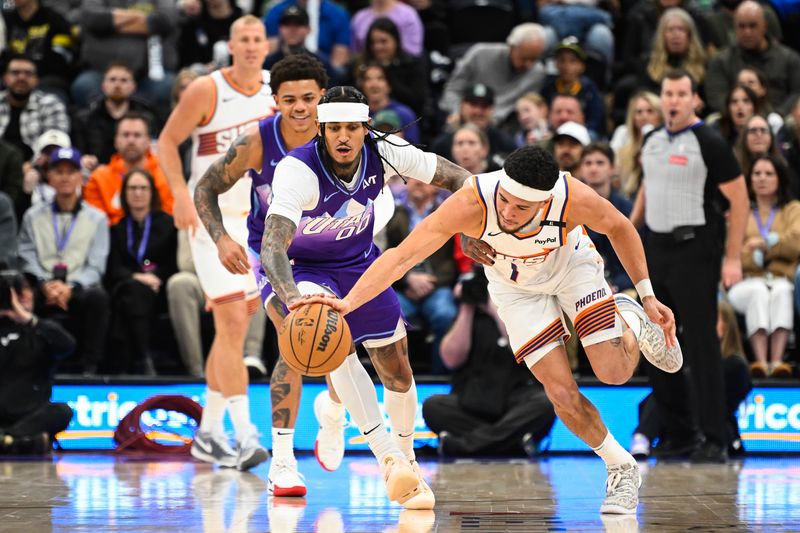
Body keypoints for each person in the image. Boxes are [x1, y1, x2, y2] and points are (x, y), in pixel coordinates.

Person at [302, 144, 685, 515]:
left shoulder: (571, 197)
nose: (508, 211)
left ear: (544, 201)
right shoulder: (474, 201)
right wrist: (350, 301)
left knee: (613, 373)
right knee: (560, 393)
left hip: (572, 269)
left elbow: (619, 227)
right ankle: (621, 467)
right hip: (515, 287)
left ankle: (631, 316)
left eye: (521, 207)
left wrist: (648, 295)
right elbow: (401, 257)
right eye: (505, 200)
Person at [254, 86, 473, 507]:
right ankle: (388, 458)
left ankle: (405, 459)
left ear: (365, 128)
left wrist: (471, 223)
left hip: (359, 262)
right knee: (332, 344)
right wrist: (293, 297)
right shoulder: (297, 170)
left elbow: (459, 179)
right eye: (333, 127)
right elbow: (272, 246)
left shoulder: (387, 151)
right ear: (320, 129)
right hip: (304, 270)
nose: (342, 136)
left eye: (352, 127)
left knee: (397, 368)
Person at [193, 54, 348, 495]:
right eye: (290, 99)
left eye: (309, 98)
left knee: (348, 346)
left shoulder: (343, 137)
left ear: (323, 97)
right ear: (275, 100)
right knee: (295, 334)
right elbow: (205, 187)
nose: (300, 107)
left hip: (337, 248)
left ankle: (334, 415)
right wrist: (223, 237)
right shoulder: (258, 142)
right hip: (277, 253)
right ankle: (282, 462)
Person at [156, 14, 273, 471]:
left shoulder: (274, 92)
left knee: (233, 330)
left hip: (257, 223)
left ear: (267, 45)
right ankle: (244, 435)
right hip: (212, 220)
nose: (249, 46)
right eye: (242, 39)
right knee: (230, 326)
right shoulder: (206, 90)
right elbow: (166, 142)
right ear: (230, 44)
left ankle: (207, 435)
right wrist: (180, 195)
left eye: (256, 39)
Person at [632, 68, 749, 463]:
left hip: (695, 249)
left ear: (694, 99)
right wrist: (626, 233)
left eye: (682, 94)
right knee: (657, 341)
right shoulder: (650, 140)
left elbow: (741, 200)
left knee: (700, 344)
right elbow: (648, 193)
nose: (674, 101)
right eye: (668, 93)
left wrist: (732, 257)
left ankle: (714, 438)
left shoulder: (709, 141)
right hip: (656, 249)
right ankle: (679, 435)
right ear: (661, 97)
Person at [423, 266, 557, 456]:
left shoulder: (518, 313)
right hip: (470, 400)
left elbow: (524, 352)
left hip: (515, 399)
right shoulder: (465, 317)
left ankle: (463, 446)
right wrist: (466, 307)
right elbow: (451, 360)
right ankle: (513, 444)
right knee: (433, 406)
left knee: (545, 403)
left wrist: (495, 309)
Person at [17, 147, 111, 376]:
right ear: (49, 177)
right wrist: (44, 283)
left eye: (71, 172)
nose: (65, 177)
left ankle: (90, 368)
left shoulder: (97, 218)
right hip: (42, 284)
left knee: (98, 298)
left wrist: (71, 287)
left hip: (78, 287)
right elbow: (26, 255)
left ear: (80, 176)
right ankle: (23, 368)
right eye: (59, 171)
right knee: (19, 296)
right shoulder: (33, 215)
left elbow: (96, 264)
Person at [630, 299, 753, 459]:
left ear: (726, 326)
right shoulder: (690, 358)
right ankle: (643, 437)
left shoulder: (735, 365)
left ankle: (643, 436)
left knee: (673, 389)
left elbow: (718, 403)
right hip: (682, 425)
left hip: (715, 431)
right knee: (665, 390)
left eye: (712, 320)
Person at [727, 155, 800, 378]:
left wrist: (763, 245)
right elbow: (732, 252)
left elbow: (796, 242)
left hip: (781, 279)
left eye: (769, 174)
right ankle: (760, 362)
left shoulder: (793, 209)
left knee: (782, 291)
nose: (762, 179)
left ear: (780, 178)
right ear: (749, 179)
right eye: (757, 174)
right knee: (758, 292)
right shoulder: (739, 212)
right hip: (746, 282)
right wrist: (777, 247)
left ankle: (776, 362)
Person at [105, 169, 178, 375]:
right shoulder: (117, 228)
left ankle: (130, 359)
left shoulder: (168, 224)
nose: (137, 193)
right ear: (124, 194)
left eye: (143, 188)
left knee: (131, 296)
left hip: (159, 288)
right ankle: (143, 357)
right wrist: (138, 277)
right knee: (132, 291)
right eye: (132, 188)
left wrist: (156, 278)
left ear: (152, 193)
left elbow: (174, 264)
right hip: (128, 287)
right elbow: (113, 267)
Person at [0, 269, 75, 454]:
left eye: (26, 289)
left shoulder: (42, 329)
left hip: (31, 415)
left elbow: (68, 345)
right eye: (17, 291)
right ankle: (18, 443)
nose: (25, 295)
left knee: (62, 411)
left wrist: (26, 318)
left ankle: (7, 439)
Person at [440, 23, 547, 126]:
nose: (529, 64)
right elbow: (453, 89)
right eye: (524, 58)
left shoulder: (537, 72)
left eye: (534, 59)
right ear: (511, 47)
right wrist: (455, 111)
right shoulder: (480, 54)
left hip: (502, 127)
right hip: (464, 117)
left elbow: (525, 106)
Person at [706, 0, 800, 115]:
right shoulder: (721, 61)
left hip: (781, 122)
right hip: (735, 124)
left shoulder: (789, 59)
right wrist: (741, 113)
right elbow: (716, 97)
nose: (747, 32)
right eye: (741, 26)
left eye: (753, 26)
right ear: (734, 28)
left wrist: (777, 115)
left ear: (764, 26)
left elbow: (797, 92)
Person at [84, 112, 174, 226]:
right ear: (116, 141)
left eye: (137, 135)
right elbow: (96, 224)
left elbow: (170, 221)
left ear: (148, 142)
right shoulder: (98, 178)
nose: (131, 141)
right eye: (125, 135)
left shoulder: (167, 176)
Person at [72, 63, 158, 167]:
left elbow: (153, 151)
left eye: (124, 80)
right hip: (96, 172)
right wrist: (84, 158)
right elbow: (78, 152)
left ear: (133, 87)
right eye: (112, 80)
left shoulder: (147, 118)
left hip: (137, 171)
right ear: (103, 85)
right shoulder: (85, 118)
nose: (117, 85)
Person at [0, 54, 69, 161]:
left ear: (36, 80)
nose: (21, 78)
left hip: (35, 169)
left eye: (28, 73)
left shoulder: (51, 104)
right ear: (4, 78)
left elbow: (55, 145)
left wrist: (33, 167)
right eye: (15, 73)